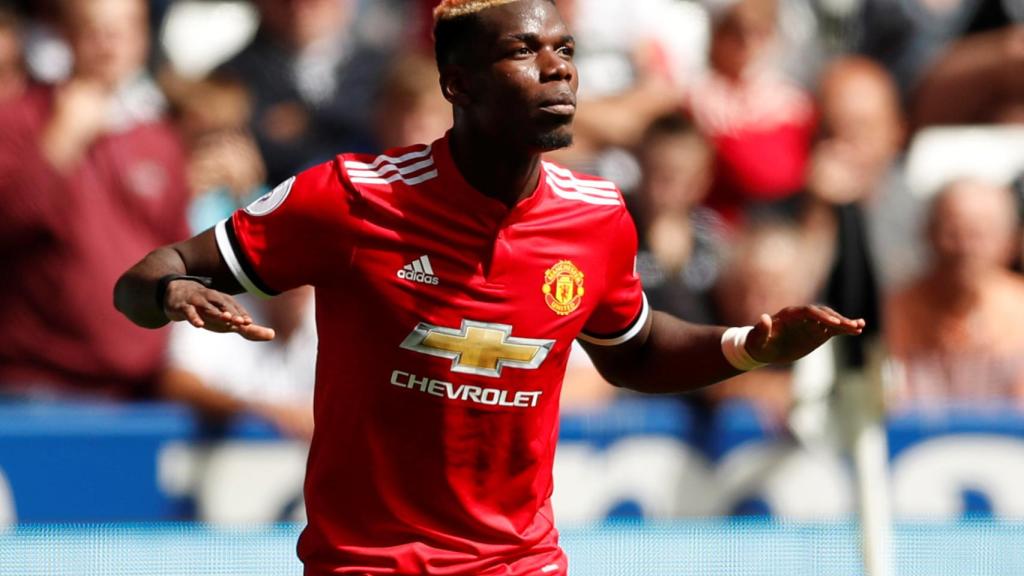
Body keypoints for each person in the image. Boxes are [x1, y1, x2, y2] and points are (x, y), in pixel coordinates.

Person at [114, 1, 864, 573]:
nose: (559, 68)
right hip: (369, 563)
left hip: (521, 562)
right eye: (524, 51)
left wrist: (751, 345)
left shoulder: (597, 216)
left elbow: (631, 352)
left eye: (565, 50)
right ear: (457, 81)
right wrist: (172, 294)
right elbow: (144, 278)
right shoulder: (351, 198)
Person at [0, 0, 189, 399]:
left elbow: (181, 254)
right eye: (94, 29)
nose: (109, 44)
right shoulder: (19, 120)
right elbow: (9, 220)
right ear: (65, 35)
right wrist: (60, 143)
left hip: (141, 393)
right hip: (38, 388)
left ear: (143, 39)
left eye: (123, 29)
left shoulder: (160, 139)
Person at [886, 178, 1024, 407]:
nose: (965, 247)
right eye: (953, 231)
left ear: (1009, 242)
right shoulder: (893, 312)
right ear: (927, 233)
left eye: (978, 234)